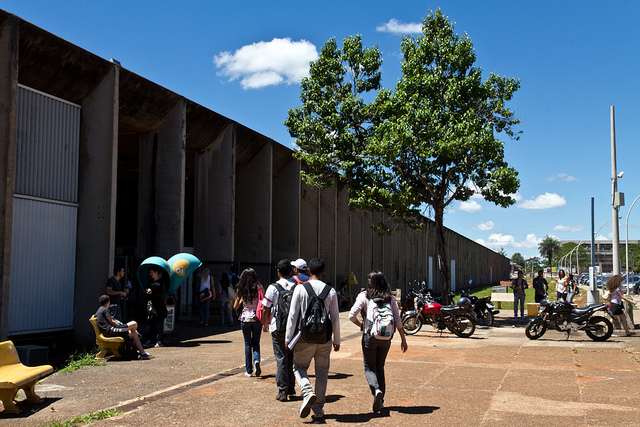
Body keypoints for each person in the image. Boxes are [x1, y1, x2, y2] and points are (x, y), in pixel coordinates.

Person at [285, 257, 340, 421]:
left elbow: (293, 315)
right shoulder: (330, 291)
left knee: (299, 367)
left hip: (304, 337)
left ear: (308, 270)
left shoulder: (300, 289)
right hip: (324, 338)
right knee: (322, 373)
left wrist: (288, 338)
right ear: (323, 271)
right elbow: (335, 318)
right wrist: (337, 340)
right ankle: (318, 410)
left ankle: (307, 391)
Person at [348, 271, 407, 413]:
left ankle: (376, 390)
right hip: (386, 337)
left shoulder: (364, 296)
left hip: (370, 336)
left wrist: (361, 326)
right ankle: (381, 402)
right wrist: (403, 340)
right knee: (380, 367)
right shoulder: (390, 298)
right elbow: (398, 320)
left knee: (369, 367)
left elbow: (351, 315)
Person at [261, 259, 297, 401]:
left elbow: (265, 307)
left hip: (277, 327)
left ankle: (282, 390)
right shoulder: (296, 287)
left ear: (278, 271)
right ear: (291, 271)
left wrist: (265, 323)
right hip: (292, 328)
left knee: (281, 358)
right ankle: (291, 387)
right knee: (291, 358)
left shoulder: (273, 287)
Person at [95, 295, 152, 359]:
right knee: (134, 324)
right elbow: (112, 322)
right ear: (108, 302)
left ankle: (142, 353)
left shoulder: (99, 309)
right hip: (111, 330)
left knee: (134, 334)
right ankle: (135, 345)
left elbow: (93, 316)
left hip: (109, 331)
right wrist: (120, 326)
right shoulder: (105, 310)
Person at [233, 268, 263, 377]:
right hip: (257, 318)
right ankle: (257, 360)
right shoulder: (259, 288)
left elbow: (235, 306)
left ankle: (249, 371)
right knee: (256, 342)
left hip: (245, 318)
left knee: (247, 344)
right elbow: (263, 301)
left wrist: (241, 301)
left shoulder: (241, 289)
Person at [144, 267, 168, 348]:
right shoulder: (150, 281)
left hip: (159, 305)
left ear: (156, 272)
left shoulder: (161, 282)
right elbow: (146, 291)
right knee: (151, 323)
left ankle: (159, 340)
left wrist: (153, 292)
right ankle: (151, 340)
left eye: (152, 272)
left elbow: (162, 293)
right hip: (151, 304)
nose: (150, 274)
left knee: (159, 323)